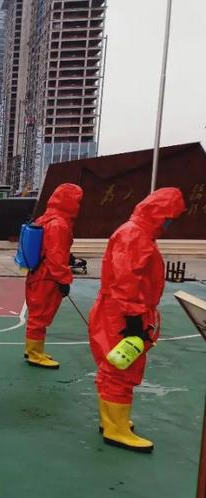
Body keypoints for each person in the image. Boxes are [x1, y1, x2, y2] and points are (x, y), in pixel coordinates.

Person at [89, 187, 185, 452]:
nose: (169, 223)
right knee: (121, 368)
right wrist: (133, 319)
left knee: (115, 364)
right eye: (169, 217)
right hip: (123, 311)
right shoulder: (135, 235)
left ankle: (112, 420)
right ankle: (115, 429)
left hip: (121, 309)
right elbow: (126, 279)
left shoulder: (138, 233)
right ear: (159, 213)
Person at [24, 183, 84, 368]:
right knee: (40, 316)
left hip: (37, 273)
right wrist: (64, 280)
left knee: (37, 314)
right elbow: (56, 256)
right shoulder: (58, 224)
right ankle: (35, 354)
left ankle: (33, 349)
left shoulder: (44, 219)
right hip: (47, 277)